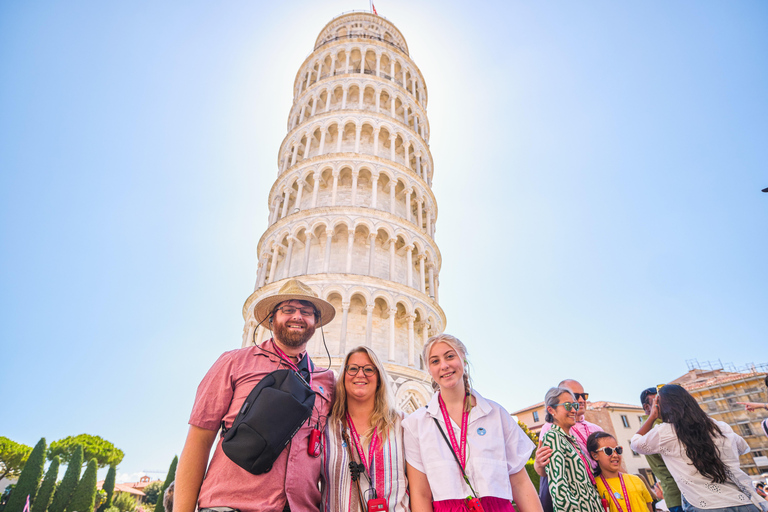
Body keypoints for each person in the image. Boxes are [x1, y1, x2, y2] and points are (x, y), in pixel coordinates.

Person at [175, 279, 337, 512]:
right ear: (272, 318)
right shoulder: (233, 362)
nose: (297, 317)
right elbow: (199, 440)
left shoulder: (327, 381)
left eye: (306, 312)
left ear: (316, 321)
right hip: (231, 506)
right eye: (288, 310)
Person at [404, 334, 542, 512]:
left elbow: (520, 482)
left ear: (463, 357)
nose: (444, 365)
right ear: (429, 369)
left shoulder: (496, 414)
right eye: (435, 361)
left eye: (450, 356)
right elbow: (420, 494)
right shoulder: (416, 424)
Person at [631, 384, 768, 512]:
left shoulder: (664, 432)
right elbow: (742, 447)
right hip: (742, 501)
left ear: (661, 406)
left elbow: (635, 444)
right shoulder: (719, 426)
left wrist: (652, 416)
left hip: (704, 504)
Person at [321, 346, 409, 511]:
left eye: (368, 369)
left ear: (379, 378)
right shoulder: (326, 427)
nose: (360, 374)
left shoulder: (403, 424)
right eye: (353, 369)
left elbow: (419, 489)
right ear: (343, 376)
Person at [535, 380, 603, 512]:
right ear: (551, 410)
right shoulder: (553, 437)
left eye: (574, 406)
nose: (573, 410)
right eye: (567, 406)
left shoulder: (569, 439)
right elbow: (559, 492)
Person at [638, 387, 682, 512]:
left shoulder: (657, 425)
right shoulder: (656, 428)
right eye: (658, 401)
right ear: (647, 408)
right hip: (679, 493)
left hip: (677, 494)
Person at [587, 431, 653, 512]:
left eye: (617, 450)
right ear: (595, 455)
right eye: (608, 451)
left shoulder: (636, 480)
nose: (615, 455)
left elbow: (649, 507)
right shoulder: (594, 487)